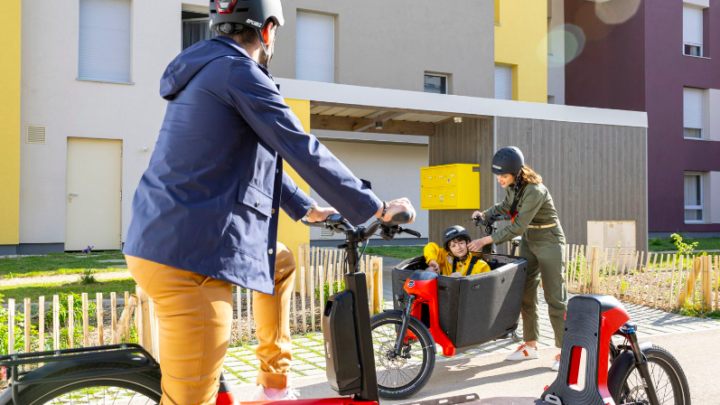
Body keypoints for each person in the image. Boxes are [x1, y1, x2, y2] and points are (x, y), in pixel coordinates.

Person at [122, 0, 415, 403]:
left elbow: (248, 159)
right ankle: (265, 386)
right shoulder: (238, 71)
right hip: (189, 261)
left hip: (176, 236)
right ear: (268, 29)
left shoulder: (209, 70)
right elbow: (299, 146)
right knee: (191, 398)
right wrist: (373, 207)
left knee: (279, 262)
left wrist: (306, 208)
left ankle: (272, 386)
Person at [468, 147, 567, 371]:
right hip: (530, 239)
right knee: (525, 292)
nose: (499, 180)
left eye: (503, 176)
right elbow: (506, 207)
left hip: (549, 239)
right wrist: (485, 214)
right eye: (498, 176)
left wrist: (485, 241)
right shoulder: (515, 187)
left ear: (516, 172)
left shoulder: (534, 190)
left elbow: (517, 225)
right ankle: (530, 346)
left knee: (555, 297)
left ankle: (566, 352)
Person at [425, 226, 491, 277]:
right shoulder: (445, 257)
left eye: (461, 243)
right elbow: (430, 246)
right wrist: (431, 260)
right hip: (445, 293)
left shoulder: (481, 265)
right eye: (453, 246)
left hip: (468, 293)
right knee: (430, 269)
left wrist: (462, 281)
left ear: (467, 242)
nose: (458, 248)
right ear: (449, 249)